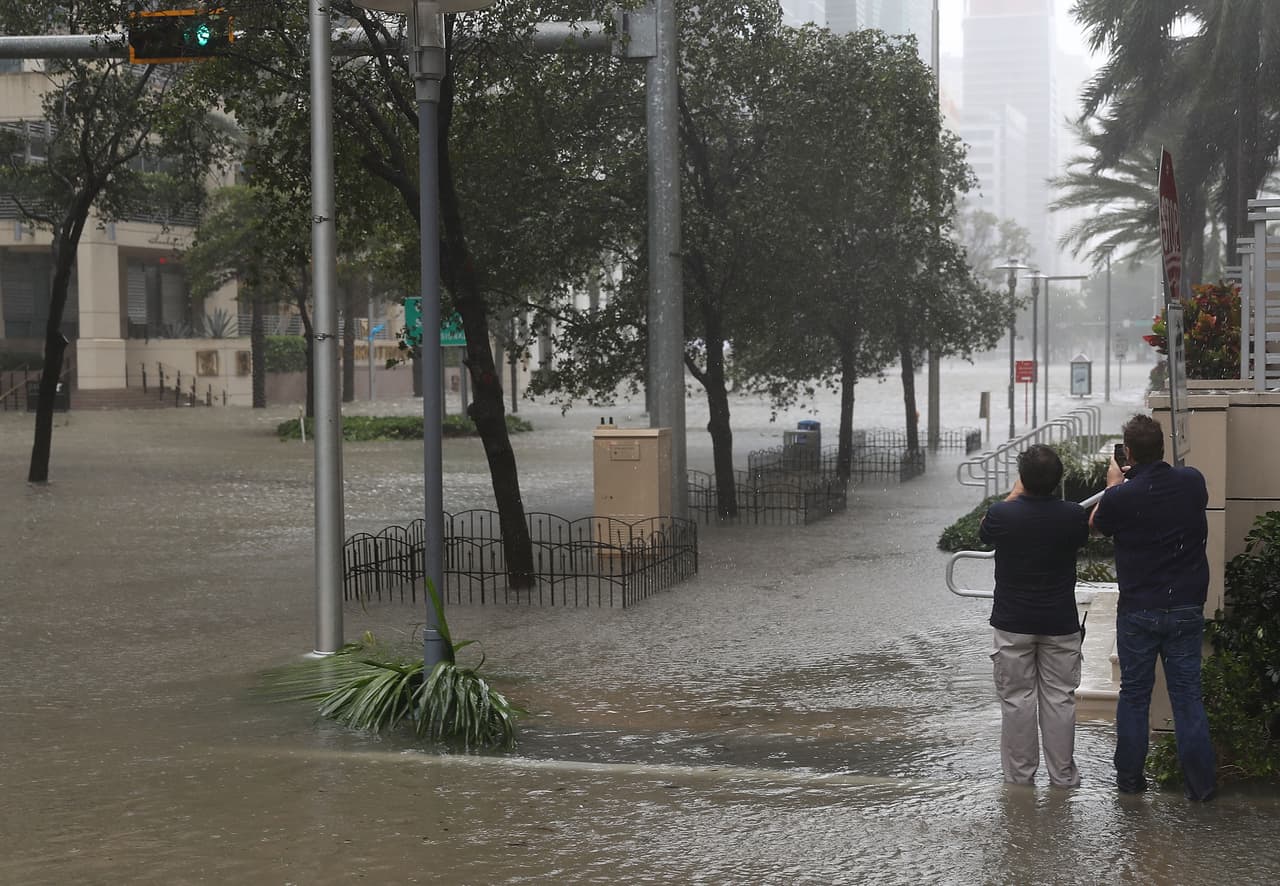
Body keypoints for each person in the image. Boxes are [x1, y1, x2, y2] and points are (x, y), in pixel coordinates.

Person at [1090, 413, 1216, 801]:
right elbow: (1179, 492)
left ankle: (1130, 785)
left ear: (1127, 452)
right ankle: (1201, 789)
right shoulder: (1192, 481)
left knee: (1134, 696)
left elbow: (1096, 525)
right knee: (1187, 698)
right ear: (1163, 447)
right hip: (1185, 608)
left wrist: (1114, 484)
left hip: (1138, 611)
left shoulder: (1121, 495)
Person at [979, 444, 1089, 787]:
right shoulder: (1072, 515)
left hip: (1013, 624)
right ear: (1059, 480)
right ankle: (1063, 777)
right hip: (1059, 622)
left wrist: (1016, 492)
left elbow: (984, 531)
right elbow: (1082, 537)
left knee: (1016, 701)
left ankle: (1020, 778)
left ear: (1022, 479)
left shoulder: (1002, 514)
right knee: (1059, 700)